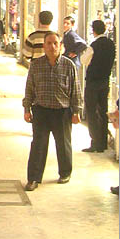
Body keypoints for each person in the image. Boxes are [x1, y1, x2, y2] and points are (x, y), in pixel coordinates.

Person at [22, 32, 82, 191]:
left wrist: (76, 111)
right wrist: (27, 108)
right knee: (38, 145)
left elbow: (75, 90)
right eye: (48, 43)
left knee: (63, 144)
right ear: (44, 46)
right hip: (41, 111)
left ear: (61, 45)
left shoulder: (69, 65)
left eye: (55, 43)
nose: (52, 46)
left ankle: (65, 173)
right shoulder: (36, 65)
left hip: (62, 112)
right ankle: (33, 178)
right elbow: (29, 89)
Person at [80, 19, 116, 153]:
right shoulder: (111, 44)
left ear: (93, 30)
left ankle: (95, 142)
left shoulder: (94, 45)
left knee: (91, 111)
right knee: (102, 110)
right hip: (104, 81)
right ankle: (103, 143)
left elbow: (84, 60)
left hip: (93, 81)